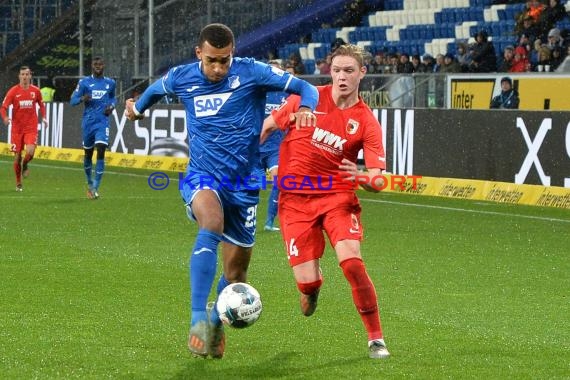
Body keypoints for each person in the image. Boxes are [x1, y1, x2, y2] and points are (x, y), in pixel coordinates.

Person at [124, 23, 318, 359]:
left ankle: (215, 322)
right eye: (212, 60)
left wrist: (304, 108)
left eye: (224, 61)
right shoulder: (182, 77)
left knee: (235, 274)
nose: (218, 68)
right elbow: (156, 89)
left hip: (244, 184)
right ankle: (198, 318)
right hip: (202, 176)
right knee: (211, 222)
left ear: (233, 54)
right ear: (199, 53)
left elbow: (305, 88)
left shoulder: (252, 72)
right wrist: (137, 109)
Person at [261, 44, 390, 360]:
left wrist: (359, 177)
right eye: (337, 70)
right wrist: (247, 158)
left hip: (337, 197)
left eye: (349, 71)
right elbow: (266, 127)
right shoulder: (307, 99)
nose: (342, 77)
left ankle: (376, 339)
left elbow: (378, 180)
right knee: (306, 284)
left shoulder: (366, 122)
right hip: (294, 201)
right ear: (329, 71)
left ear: (362, 73)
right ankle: (312, 289)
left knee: (352, 263)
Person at [70, 57, 116, 200]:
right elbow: (72, 101)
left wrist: (111, 107)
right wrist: (82, 99)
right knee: (88, 154)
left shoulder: (110, 83)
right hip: (88, 123)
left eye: (100, 64)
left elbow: (113, 98)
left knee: (101, 148)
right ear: (92, 66)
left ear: (104, 66)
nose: (98, 66)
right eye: (95, 64)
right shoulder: (84, 83)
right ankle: (90, 182)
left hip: (102, 122)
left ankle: (96, 186)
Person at [1, 66, 47, 191]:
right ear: (19, 76)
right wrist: (5, 118)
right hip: (17, 129)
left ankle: (25, 164)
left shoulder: (36, 91)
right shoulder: (13, 91)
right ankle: (18, 182)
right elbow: (3, 107)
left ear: (30, 76)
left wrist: (44, 117)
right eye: (23, 74)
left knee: (30, 152)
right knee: (17, 157)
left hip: (30, 128)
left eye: (27, 74)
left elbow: (41, 105)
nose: (25, 76)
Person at [258, 60, 290, 231]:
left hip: (275, 149)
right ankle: (241, 218)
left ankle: (269, 221)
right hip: (255, 147)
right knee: (249, 185)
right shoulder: (257, 92)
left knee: (279, 182)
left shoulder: (286, 96)